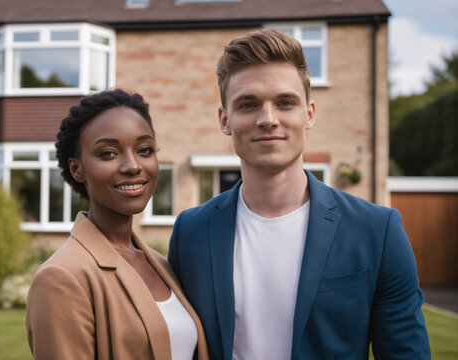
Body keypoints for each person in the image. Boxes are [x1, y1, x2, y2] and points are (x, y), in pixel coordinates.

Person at [168, 29, 430, 359]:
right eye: (248, 104)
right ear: (225, 120)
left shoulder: (378, 231)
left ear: (309, 113)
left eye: (285, 103)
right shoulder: (190, 231)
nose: (268, 119)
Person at [26, 89, 209, 360]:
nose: (133, 165)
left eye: (145, 150)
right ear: (77, 169)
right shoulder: (62, 278)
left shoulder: (160, 265)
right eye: (109, 153)